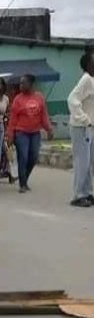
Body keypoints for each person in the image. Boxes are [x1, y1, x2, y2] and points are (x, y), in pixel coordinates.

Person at [7, 74, 54, 193]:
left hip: (35, 133)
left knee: (33, 157)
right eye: (20, 83)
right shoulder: (18, 99)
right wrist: (10, 135)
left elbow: (44, 116)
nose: (21, 85)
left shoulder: (39, 98)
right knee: (23, 157)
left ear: (31, 84)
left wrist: (49, 129)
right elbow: (12, 119)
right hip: (21, 132)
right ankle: (22, 184)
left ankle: (25, 178)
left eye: (23, 83)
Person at [67, 52, 94, 207]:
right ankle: (78, 195)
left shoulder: (92, 80)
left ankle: (88, 192)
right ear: (89, 64)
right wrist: (84, 119)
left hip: (89, 127)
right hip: (81, 127)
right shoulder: (85, 79)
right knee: (82, 161)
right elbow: (72, 99)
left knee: (89, 162)